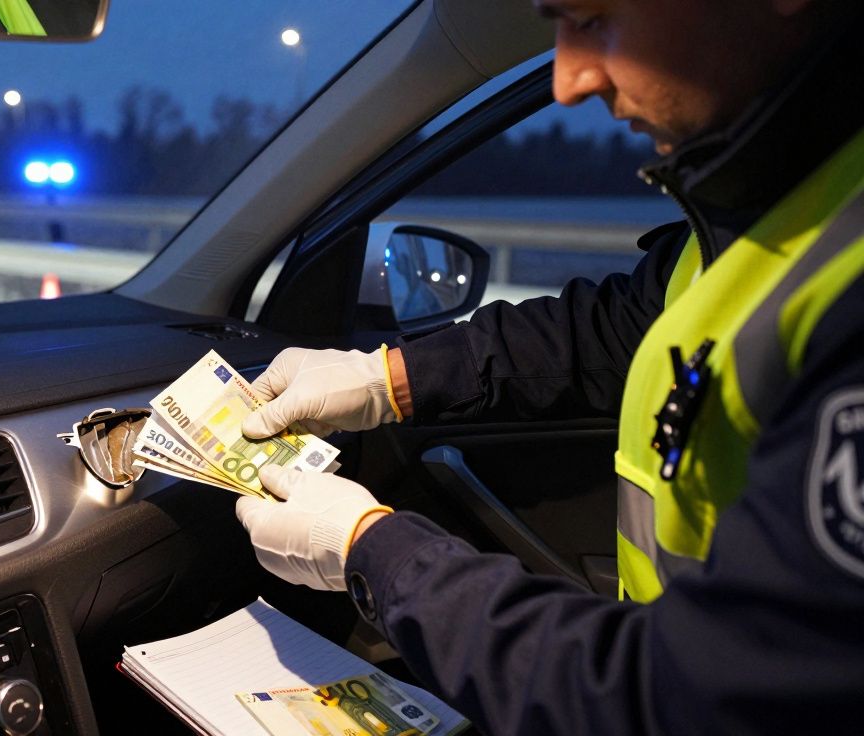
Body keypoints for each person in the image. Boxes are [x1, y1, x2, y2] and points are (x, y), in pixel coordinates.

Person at [234, 0, 864, 732]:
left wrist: (373, 551)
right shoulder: (777, 210)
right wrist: (385, 380)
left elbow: (686, 698)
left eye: (593, 18)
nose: (567, 80)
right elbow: (613, 328)